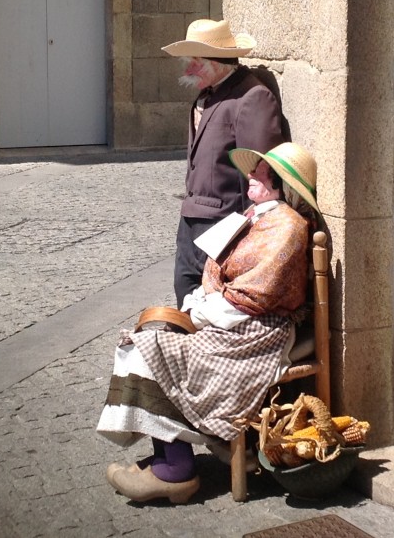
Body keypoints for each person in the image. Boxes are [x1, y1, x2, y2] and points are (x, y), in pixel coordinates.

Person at [97, 142, 320, 504]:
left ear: (282, 183)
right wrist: (202, 302)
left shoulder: (289, 227)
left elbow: (257, 294)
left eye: (261, 172)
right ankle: (170, 457)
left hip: (257, 331)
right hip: (231, 318)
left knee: (151, 352)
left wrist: (202, 312)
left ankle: (175, 472)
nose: (250, 175)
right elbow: (225, 274)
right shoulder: (257, 216)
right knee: (149, 341)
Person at [161, 18, 284, 308]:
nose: (188, 69)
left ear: (219, 63)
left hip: (223, 227)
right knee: (185, 299)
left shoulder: (252, 97)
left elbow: (262, 175)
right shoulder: (206, 95)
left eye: (196, 61)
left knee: (210, 307)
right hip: (191, 224)